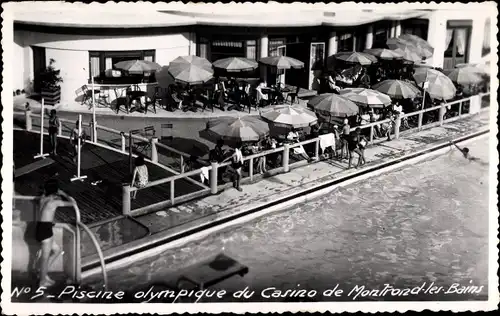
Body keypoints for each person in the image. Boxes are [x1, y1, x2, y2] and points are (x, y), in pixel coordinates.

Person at [34, 179, 71, 288]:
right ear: (56, 191)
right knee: (45, 258)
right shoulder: (54, 202)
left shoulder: (42, 199)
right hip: (45, 230)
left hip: (40, 227)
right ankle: (42, 281)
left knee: (57, 250)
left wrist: (53, 193)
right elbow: (72, 203)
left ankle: (44, 275)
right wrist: (63, 193)